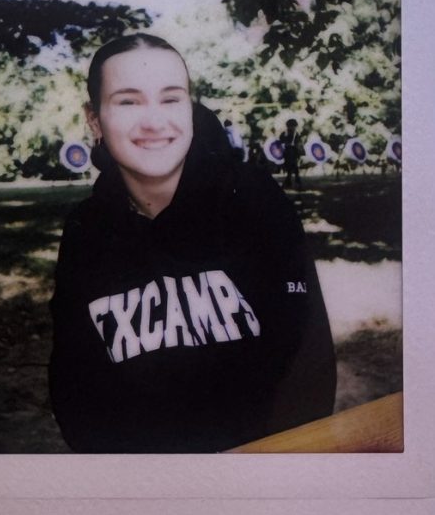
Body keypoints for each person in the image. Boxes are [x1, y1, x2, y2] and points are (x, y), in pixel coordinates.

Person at [49, 34, 336, 453]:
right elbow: (75, 384)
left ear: (189, 105)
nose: (153, 121)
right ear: (94, 119)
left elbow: (306, 365)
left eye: (171, 99)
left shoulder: (253, 201)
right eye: (128, 102)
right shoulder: (84, 230)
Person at [280, 118, 303, 189]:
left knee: (294, 167)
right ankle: (292, 181)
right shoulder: (284, 133)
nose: (293, 128)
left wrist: (298, 150)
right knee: (290, 167)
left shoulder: (296, 134)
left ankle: (293, 181)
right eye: (291, 126)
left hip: (294, 151)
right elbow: (281, 140)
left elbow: (298, 143)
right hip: (287, 151)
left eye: (293, 126)